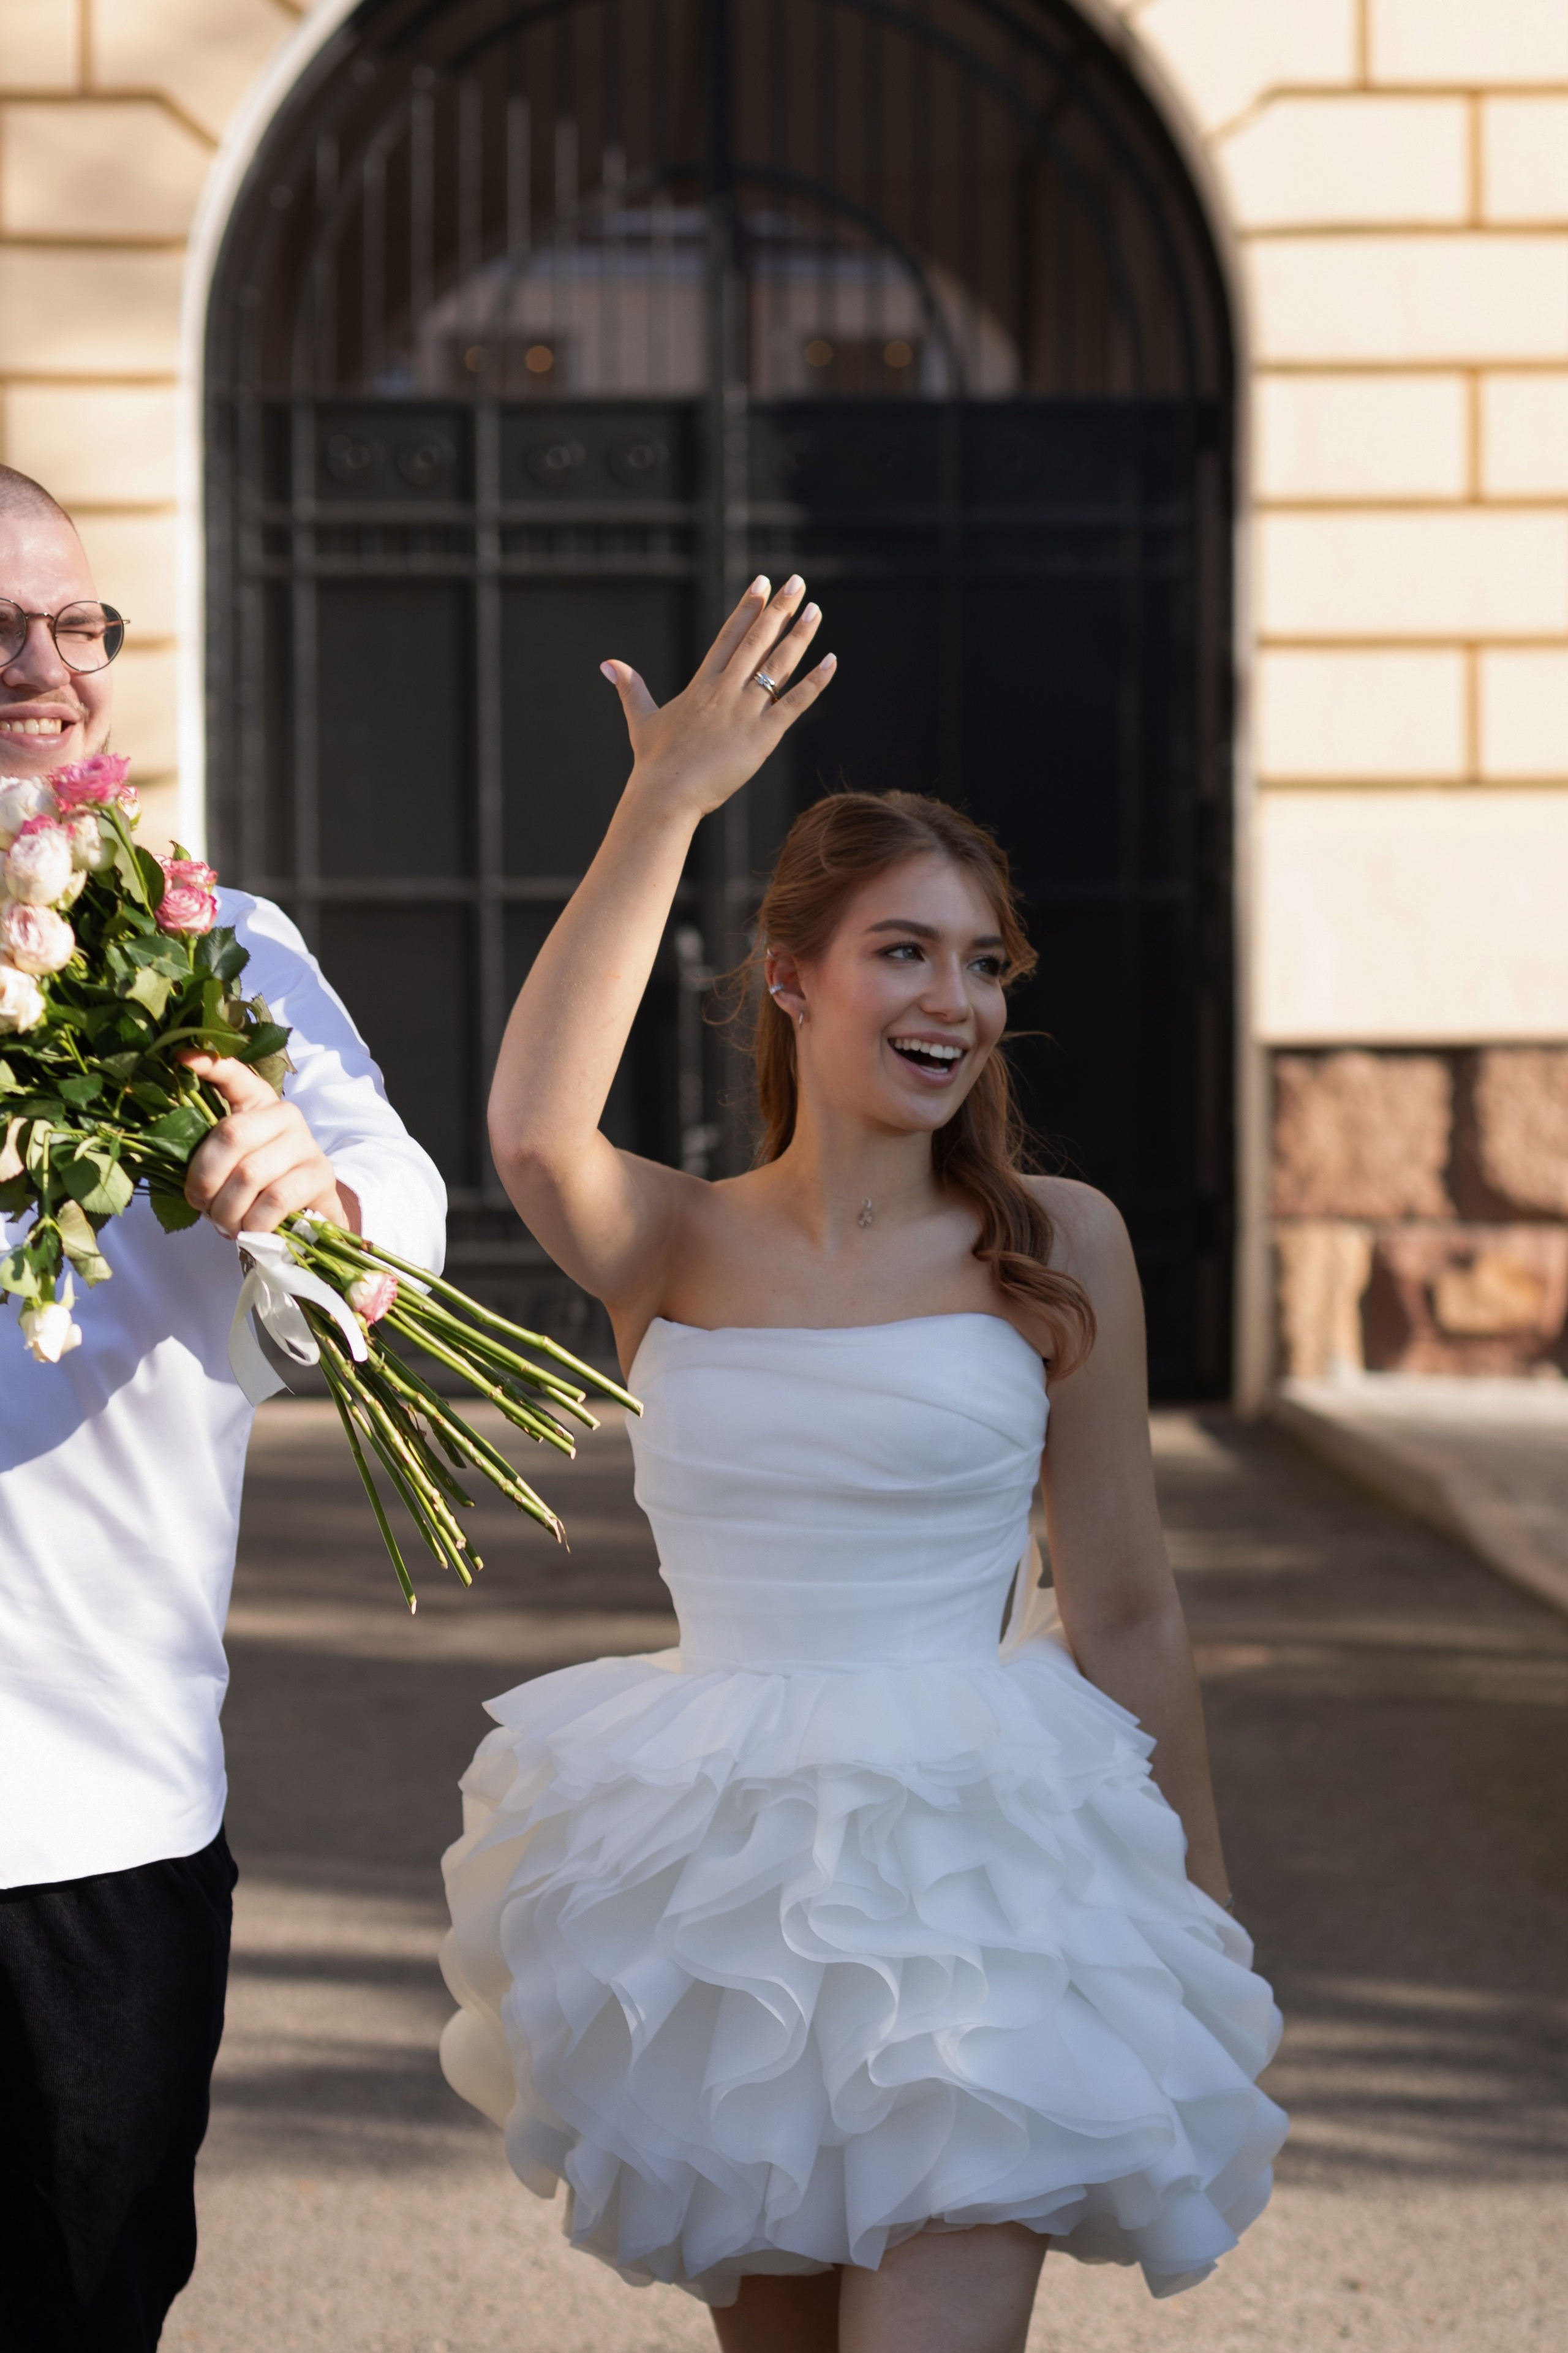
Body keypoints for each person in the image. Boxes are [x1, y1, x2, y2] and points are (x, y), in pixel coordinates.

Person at [439, 576, 1286, 2353]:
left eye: (984, 963)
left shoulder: (1062, 1242)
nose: (957, 999)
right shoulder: (668, 1237)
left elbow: (1123, 1595)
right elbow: (527, 1126)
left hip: (986, 1865)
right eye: (905, 949)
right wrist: (664, 796)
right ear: (791, 977)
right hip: (725, 1879)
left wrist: (1196, 1903)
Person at [0, 465, 447, 2351]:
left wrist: (304, 1200)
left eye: (77, 626)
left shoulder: (220, 948)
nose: (53, 671)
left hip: (93, 1816)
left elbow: (391, 1256)